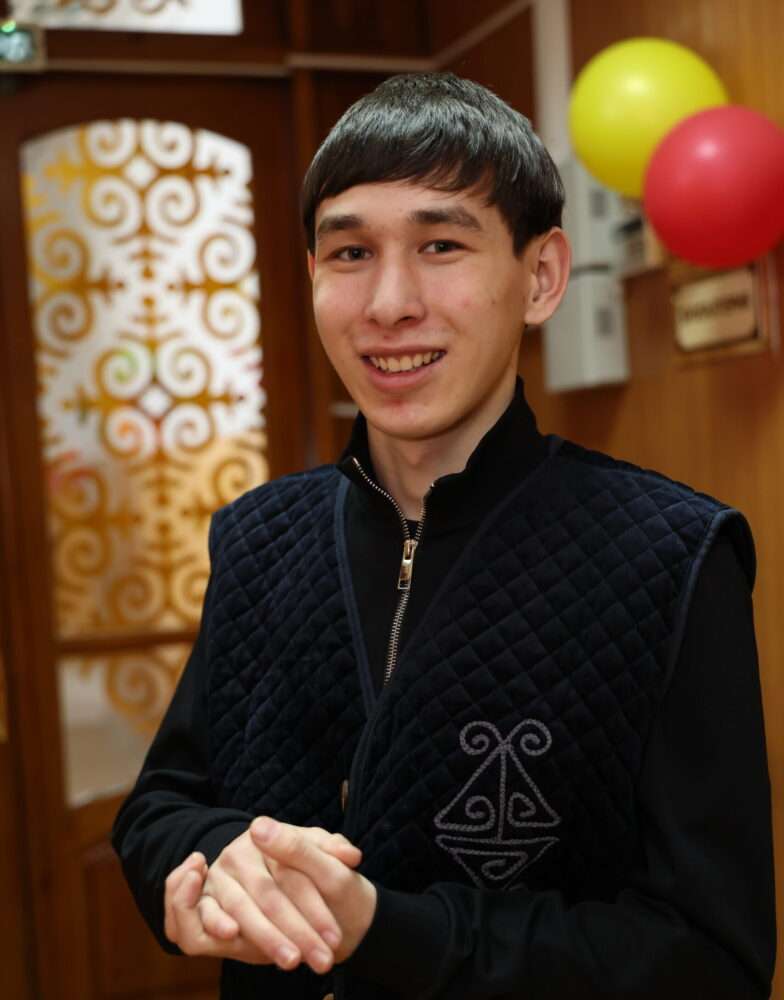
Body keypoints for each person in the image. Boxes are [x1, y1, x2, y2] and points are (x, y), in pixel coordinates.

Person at [113, 73, 776, 1000]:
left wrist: (386, 931)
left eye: (441, 245)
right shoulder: (258, 536)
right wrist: (213, 866)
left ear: (541, 277)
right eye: (350, 252)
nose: (389, 303)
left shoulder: (674, 554)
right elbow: (163, 806)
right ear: (313, 276)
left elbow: (711, 958)